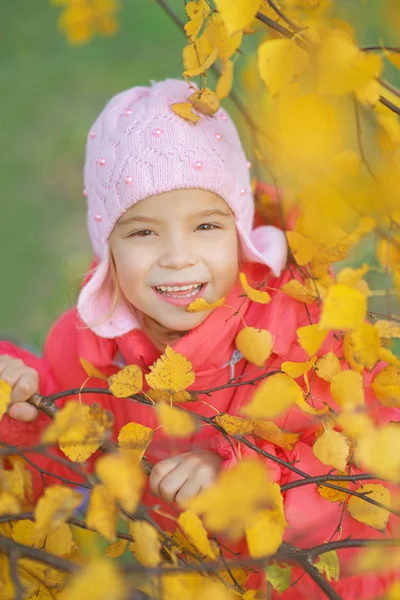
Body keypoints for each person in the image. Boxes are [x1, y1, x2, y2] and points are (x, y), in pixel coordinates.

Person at [0, 79, 398, 599]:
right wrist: (24, 408)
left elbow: (376, 466)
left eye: (205, 226)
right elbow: (64, 465)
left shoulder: (309, 330)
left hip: (338, 583)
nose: (177, 256)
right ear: (108, 247)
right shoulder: (93, 347)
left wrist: (242, 474)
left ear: (239, 229)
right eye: (143, 232)